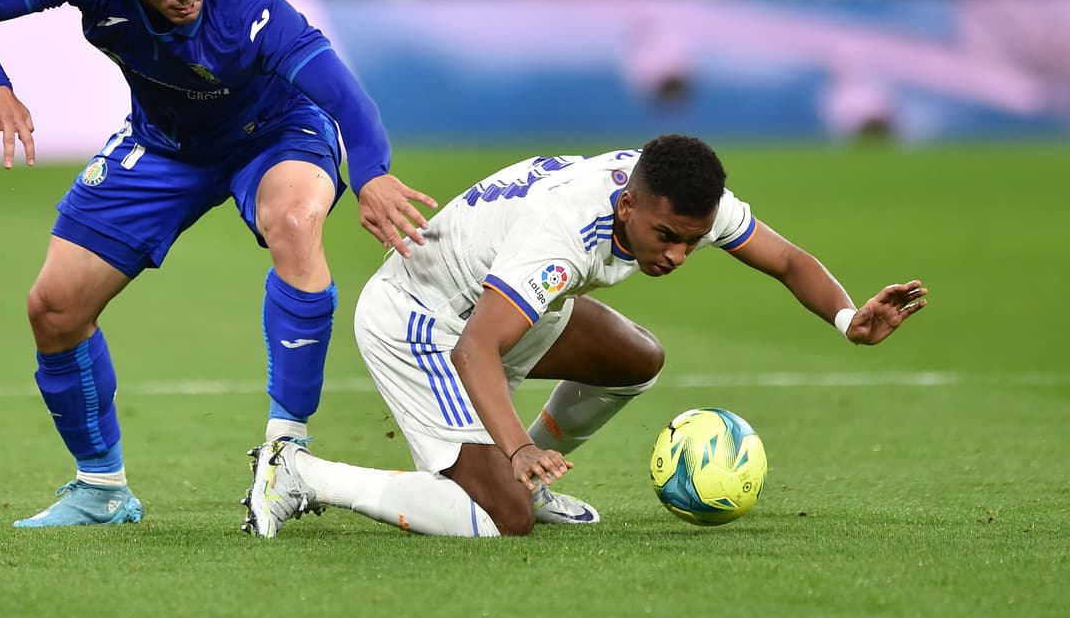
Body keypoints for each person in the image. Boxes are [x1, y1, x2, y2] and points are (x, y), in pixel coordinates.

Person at [0, 0, 436, 527]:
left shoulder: (245, 0)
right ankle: (101, 488)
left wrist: (370, 173)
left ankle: (288, 454)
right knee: (53, 308)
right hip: (165, 144)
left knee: (292, 218)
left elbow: (343, 94)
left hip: (275, 134)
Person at [241, 134, 928, 537]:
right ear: (628, 204)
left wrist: (846, 317)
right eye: (665, 237)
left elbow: (785, 259)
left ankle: (516, 475)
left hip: (506, 305)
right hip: (421, 319)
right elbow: (473, 346)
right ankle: (297, 473)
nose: (676, 256)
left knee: (636, 358)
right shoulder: (563, 234)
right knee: (499, 521)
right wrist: (516, 448)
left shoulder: (681, 198)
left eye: (692, 241)